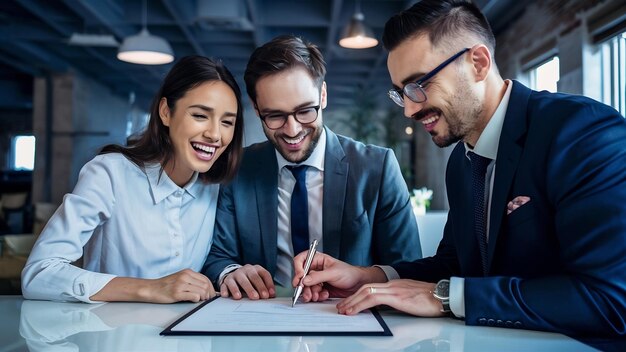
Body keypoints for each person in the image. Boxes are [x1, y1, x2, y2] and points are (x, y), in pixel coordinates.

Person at [293, 0, 626, 337]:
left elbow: (610, 299)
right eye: (401, 93)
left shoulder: (581, 132)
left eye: (419, 85)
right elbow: (455, 263)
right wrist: (371, 277)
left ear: (478, 63)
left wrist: (446, 297)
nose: (409, 109)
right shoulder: (461, 162)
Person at [202, 35, 422, 300]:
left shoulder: (378, 168)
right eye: (275, 116)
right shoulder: (238, 168)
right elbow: (217, 256)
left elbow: (409, 270)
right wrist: (230, 271)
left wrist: (363, 276)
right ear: (256, 107)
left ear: (323, 95)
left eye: (305, 111)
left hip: (353, 321)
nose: (292, 130)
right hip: (262, 320)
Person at [22, 56, 245, 303]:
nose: (215, 134)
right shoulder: (110, 174)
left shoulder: (214, 188)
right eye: (200, 115)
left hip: (183, 338)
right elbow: (39, 273)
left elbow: (219, 257)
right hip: (109, 336)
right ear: (165, 112)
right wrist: (149, 288)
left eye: (227, 122)